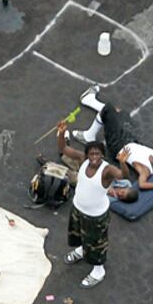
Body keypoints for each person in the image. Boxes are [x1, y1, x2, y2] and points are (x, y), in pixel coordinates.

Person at [72, 86, 153, 190]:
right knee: (121, 113)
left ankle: (88, 136)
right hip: (129, 139)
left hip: (117, 145)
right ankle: (90, 101)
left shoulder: (146, 169)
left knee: (108, 109)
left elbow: (142, 184)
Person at [56, 119, 129, 289]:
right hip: (78, 209)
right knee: (80, 235)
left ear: (102, 155)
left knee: (96, 243)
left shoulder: (107, 170)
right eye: (91, 154)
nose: (94, 157)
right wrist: (61, 132)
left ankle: (98, 271)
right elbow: (63, 149)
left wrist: (123, 162)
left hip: (96, 216)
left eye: (98, 154)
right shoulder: (83, 160)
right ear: (87, 154)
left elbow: (124, 176)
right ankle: (82, 250)